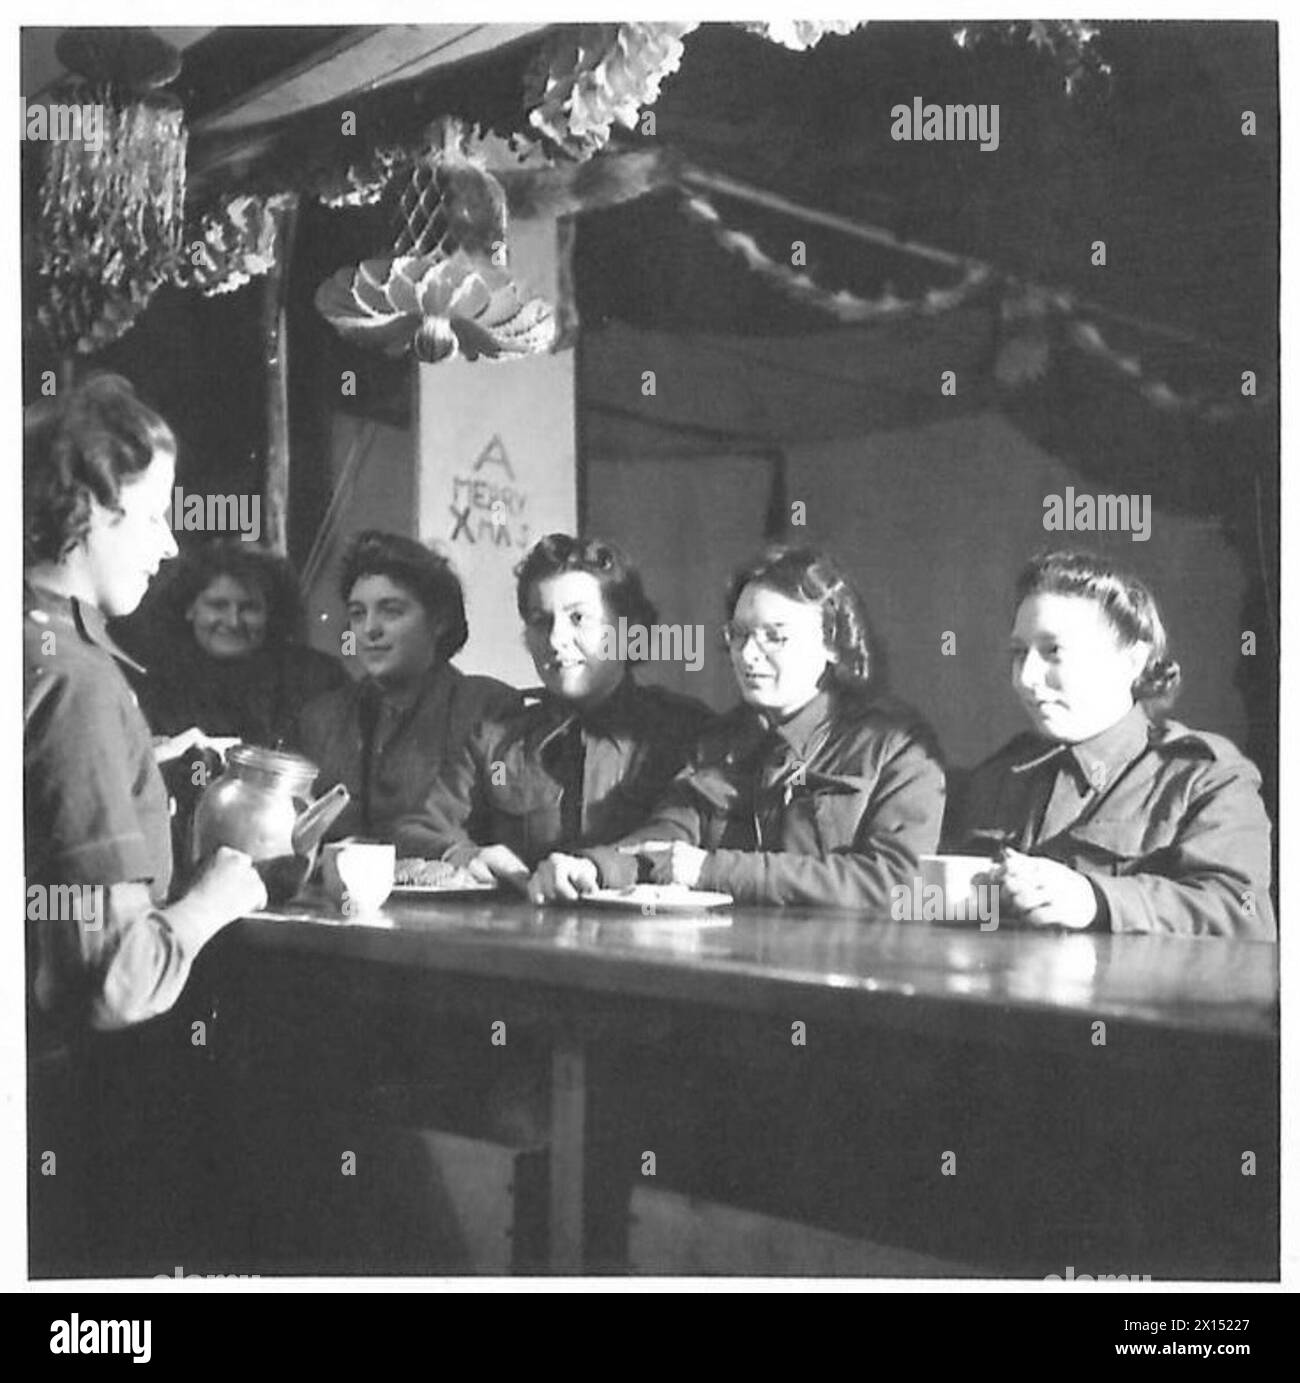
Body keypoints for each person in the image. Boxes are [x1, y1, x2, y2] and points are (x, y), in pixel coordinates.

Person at [23, 374, 267, 1274]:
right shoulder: (83, 687)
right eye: (153, 514)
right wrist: (215, 895)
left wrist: (133, 776)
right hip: (66, 1118)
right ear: (83, 508)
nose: (170, 547)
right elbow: (110, 987)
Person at [531, 544, 946, 908]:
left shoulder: (893, 745)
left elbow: (897, 882)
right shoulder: (720, 742)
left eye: (774, 637)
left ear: (833, 644)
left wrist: (716, 870)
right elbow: (668, 836)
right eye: (739, 634)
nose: (748, 655)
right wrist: (593, 866)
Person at [943, 550, 1276, 939]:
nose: (1025, 677)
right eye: (1019, 653)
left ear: (1131, 662)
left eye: (1053, 651)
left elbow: (1244, 914)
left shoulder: (1203, 777)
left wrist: (1095, 900)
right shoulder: (1002, 775)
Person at [393, 533, 715, 887]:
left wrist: (598, 868)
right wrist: (463, 854)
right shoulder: (499, 737)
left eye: (578, 618)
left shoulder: (682, 731)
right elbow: (416, 828)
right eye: (540, 621)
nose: (556, 639)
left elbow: (679, 833)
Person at [293, 530, 519, 843]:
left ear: (438, 621)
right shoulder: (322, 718)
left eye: (391, 610)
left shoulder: (486, 708)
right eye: (358, 614)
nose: (370, 629)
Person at [121, 538, 346, 747]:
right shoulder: (156, 682)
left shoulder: (315, 678)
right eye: (218, 605)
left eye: (249, 608)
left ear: (270, 613)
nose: (232, 621)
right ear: (190, 608)